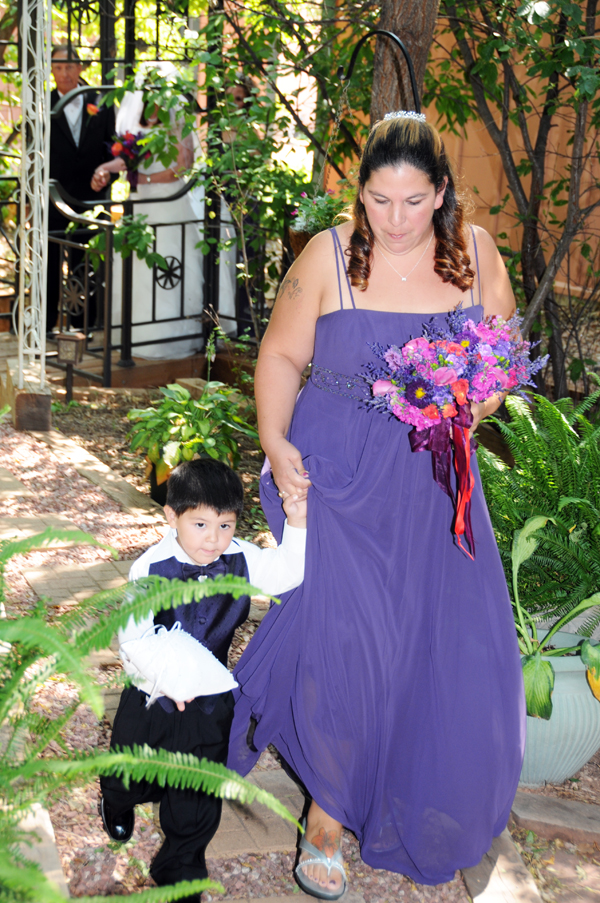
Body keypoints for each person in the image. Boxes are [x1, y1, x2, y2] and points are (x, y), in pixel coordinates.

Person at [226, 111, 526, 898]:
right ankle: (325, 816)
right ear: (360, 193)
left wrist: (464, 399)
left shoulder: (477, 255)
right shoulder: (326, 256)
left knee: (429, 643)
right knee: (348, 638)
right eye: (379, 201)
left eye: (413, 201)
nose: (395, 221)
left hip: (435, 486)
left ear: (442, 194)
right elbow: (282, 354)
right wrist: (275, 440)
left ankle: (405, 784)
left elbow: (498, 370)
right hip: (338, 477)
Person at [99, 458, 307, 901]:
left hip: (210, 694)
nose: (214, 539)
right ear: (171, 517)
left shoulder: (238, 558)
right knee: (133, 767)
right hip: (152, 693)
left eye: (226, 525)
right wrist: (168, 681)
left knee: (197, 785)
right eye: (200, 524)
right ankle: (117, 798)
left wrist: (299, 523)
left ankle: (180, 866)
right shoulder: (149, 569)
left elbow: (289, 573)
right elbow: (132, 641)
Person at [92, 64, 237, 360]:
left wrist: (142, 179)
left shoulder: (178, 117)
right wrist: (105, 168)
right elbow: (128, 159)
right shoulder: (138, 118)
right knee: (139, 269)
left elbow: (182, 165)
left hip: (170, 201)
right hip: (140, 204)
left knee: (170, 265)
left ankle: (173, 336)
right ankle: (138, 336)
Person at [48, 46, 116, 335]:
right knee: (50, 259)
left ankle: (86, 325)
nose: (64, 73)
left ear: (79, 68)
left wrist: (105, 178)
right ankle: (46, 324)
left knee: (88, 261)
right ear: (51, 70)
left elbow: (112, 147)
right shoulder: (43, 102)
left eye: (68, 67)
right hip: (53, 196)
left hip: (91, 196)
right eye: (58, 67)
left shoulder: (100, 101)